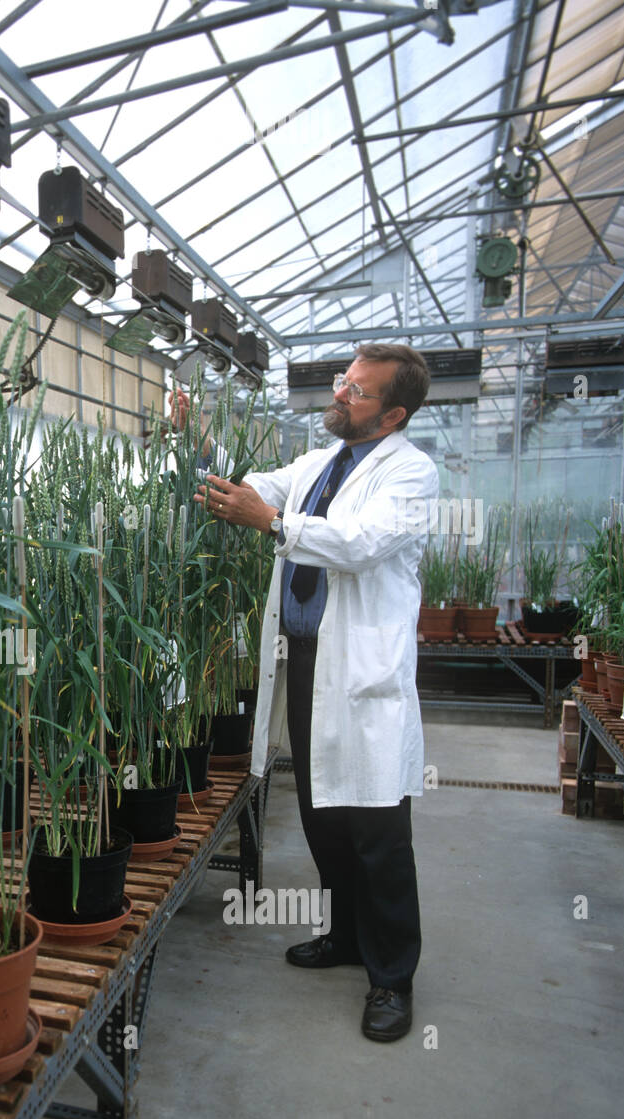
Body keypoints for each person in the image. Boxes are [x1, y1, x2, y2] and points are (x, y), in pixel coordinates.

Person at [196, 343, 437, 1043]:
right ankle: (343, 937)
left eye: (356, 392)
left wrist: (270, 523)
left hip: (361, 672)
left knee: (377, 832)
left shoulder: (411, 474)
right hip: (305, 658)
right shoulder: (322, 461)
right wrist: (201, 442)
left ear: (391, 415)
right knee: (321, 812)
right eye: (342, 382)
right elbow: (261, 484)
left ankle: (391, 977)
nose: (339, 395)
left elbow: (358, 544)